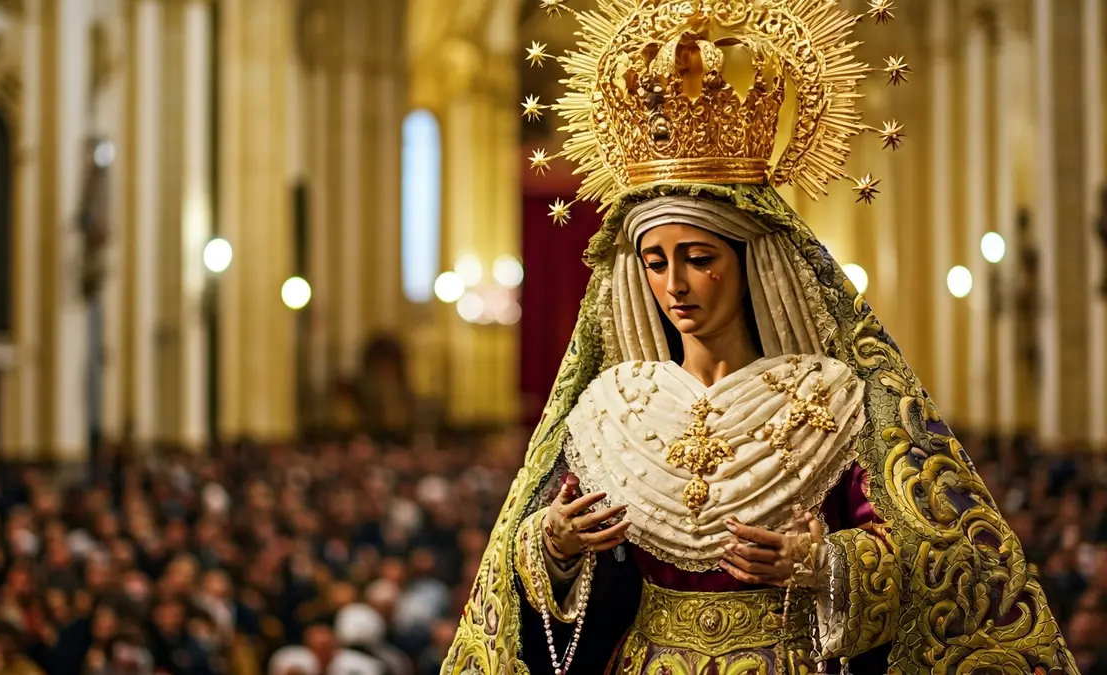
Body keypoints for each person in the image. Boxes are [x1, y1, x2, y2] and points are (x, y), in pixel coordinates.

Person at [443, 1, 1073, 673]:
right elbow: (539, 542)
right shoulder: (609, 407)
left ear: (750, 265)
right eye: (656, 263)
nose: (675, 284)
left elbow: (922, 554)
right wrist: (557, 544)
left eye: (700, 258)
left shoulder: (832, 398)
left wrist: (826, 561)